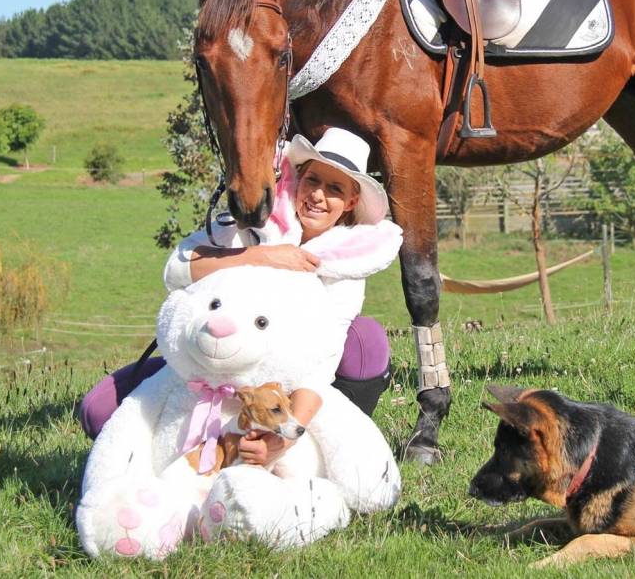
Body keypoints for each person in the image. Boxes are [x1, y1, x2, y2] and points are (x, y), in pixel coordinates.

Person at [78, 128, 400, 467]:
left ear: (350, 202)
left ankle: (323, 451)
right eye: (313, 181)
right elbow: (176, 269)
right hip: (212, 364)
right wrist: (262, 255)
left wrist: (282, 440)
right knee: (97, 411)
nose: (318, 195)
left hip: (280, 387)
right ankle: (143, 463)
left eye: (334, 189)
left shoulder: (345, 267)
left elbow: (320, 368)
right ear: (297, 179)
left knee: (367, 340)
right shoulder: (252, 221)